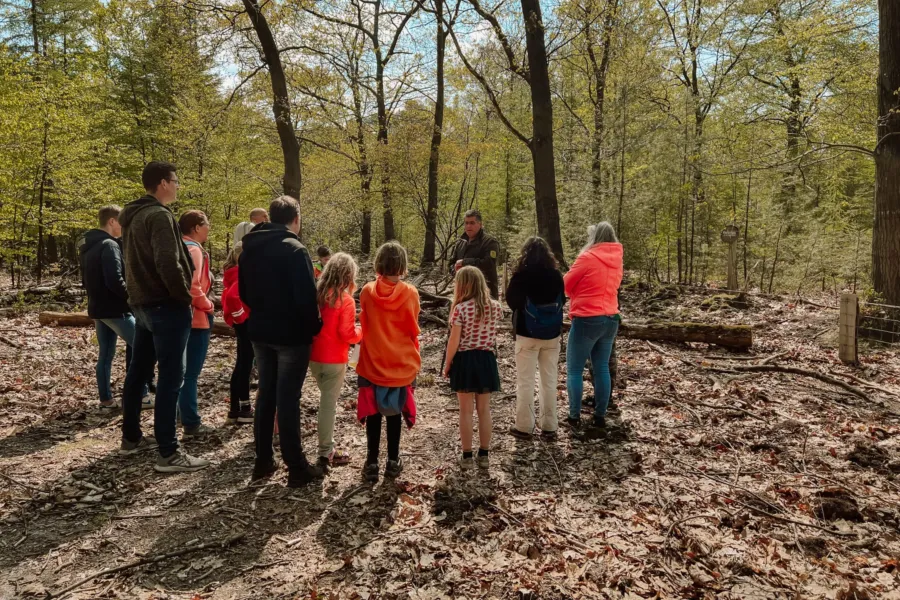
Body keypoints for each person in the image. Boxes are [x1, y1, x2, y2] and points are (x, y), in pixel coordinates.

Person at [119, 161, 210, 473]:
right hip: (163, 305)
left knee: (138, 371)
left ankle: (130, 438)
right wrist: (185, 297)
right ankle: (168, 453)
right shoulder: (157, 214)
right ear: (161, 183)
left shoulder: (132, 215)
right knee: (172, 378)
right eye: (175, 180)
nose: (178, 185)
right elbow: (168, 261)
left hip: (142, 304)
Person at [239, 196, 324, 487]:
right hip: (290, 336)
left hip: (261, 331)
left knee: (266, 395)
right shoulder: (295, 250)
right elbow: (306, 299)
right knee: (287, 399)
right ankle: (296, 466)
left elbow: (245, 293)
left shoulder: (249, 247)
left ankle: (263, 460)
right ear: (295, 218)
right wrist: (315, 327)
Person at [356, 242, 420, 483]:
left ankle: (371, 462)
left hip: (372, 361)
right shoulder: (411, 293)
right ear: (402, 265)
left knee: (373, 413)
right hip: (400, 363)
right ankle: (392, 461)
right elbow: (413, 328)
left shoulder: (366, 292)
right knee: (394, 412)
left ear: (378, 263)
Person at [80, 205, 151, 410]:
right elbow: (115, 280)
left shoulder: (88, 245)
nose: (123, 227)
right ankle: (142, 396)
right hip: (115, 309)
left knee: (106, 354)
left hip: (98, 308)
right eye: (121, 222)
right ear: (112, 221)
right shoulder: (109, 245)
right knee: (142, 348)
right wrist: (133, 298)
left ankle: (106, 400)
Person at [564, 222, 623, 439]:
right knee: (601, 368)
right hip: (610, 318)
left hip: (587, 317)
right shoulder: (617, 260)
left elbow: (566, 285)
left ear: (594, 237)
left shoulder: (587, 257)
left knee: (574, 369)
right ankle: (600, 415)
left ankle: (574, 415)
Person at [505, 237, 565, 440]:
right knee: (549, 381)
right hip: (552, 335)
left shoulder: (522, 275)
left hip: (526, 333)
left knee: (525, 381)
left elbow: (511, 301)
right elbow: (562, 300)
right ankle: (550, 426)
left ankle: (524, 426)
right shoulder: (556, 275)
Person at [443, 266, 502, 470]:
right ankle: (484, 454)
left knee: (466, 411)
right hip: (486, 359)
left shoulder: (460, 309)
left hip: (465, 360)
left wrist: (448, 363)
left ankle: (467, 456)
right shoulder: (495, 307)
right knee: (484, 410)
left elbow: (454, 340)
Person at [310, 252, 362, 471]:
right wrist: (362, 331)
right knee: (328, 404)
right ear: (349, 275)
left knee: (325, 399)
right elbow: (347, 333)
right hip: (335, 358)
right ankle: (326, 450)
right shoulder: (346, 300)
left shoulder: (316, 294)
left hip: (313, 356)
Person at [177, 210, 215, 438]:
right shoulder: (194, 250)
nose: (209, 228)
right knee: (190, 373)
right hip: (196, 319)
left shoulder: (177, 245)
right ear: (197, 227)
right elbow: (192, 287)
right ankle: (191, 422)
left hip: (180, 318)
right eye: (206, 224)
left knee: (178, 372)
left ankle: (179, 416)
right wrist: (208, 305)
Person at [222, 243, 254, 424]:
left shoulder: (234, 271)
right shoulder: (241, 273)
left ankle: (235, 408)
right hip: (246, 324)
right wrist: (242, 318)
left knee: (241, 363)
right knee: (245, 365)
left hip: (242, 324)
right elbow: (233, 297)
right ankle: (244, 408)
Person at [451, 209, 500, 299]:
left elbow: (489, 263)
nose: (469, 226)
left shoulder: (490, 242)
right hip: (463, 293)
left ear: (480, 224)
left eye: (472, 223)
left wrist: (465, 262)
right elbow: (452, 263)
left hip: (484, 294)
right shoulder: (460, 243)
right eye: (466, 223)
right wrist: (456, 271)